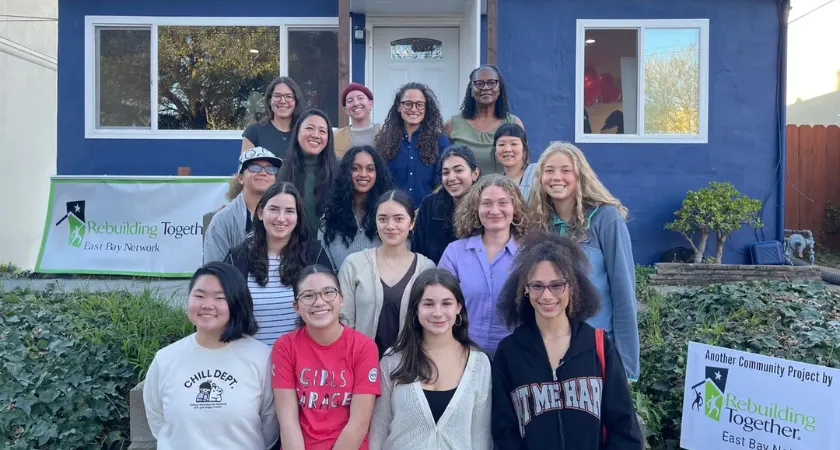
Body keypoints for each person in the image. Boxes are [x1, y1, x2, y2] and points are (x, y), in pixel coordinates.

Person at [491, 232, 643, 449]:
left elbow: (624, 428)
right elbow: (504, 431)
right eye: (537, 286)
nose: (547, 296)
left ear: (572, 286)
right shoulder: (509, 352)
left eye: (557, 285)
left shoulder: (598, 346)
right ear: (525, 288)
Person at [529, 142, 639, 382]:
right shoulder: (538, 224)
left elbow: (623, 292)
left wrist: (627, 368)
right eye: (549, 170)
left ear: (580, 175)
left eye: (565, 170)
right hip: (549, 351)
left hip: (596, 349)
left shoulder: (605, 219)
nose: (556, 177)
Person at [144, 262, 279, 450]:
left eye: (219, 298)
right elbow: (157, 420)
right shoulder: (165, 359)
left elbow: (270, 425)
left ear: (236, 302)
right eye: (199, 296)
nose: (207, 305)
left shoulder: (261, 357)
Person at [369, 268, 492, 450]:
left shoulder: (479, 364)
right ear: (416, 309)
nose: (437, 312)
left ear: (458, 307)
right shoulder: (393, 360)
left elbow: (480, 437)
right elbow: (378, 431)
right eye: (428, 304)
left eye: (446, 303)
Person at [271, 265, 380, 450]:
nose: (319, 302)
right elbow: (288, 421)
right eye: (308, 295)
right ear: (296, 306)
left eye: (328, 292)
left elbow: (359, 423)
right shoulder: (285, 346)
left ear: (341, 299)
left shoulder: (364, 347)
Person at [225, 182, 331, 345]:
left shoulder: (314, 254)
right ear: (261, 213)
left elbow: (330, 306)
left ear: (298, 217)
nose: (281, 218)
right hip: (248, 357)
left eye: (289, 211)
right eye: (274, 209)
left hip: (301, 356)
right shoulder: (237, 257)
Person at [438, 174, 532, 356]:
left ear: (515, 208)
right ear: (476, 208)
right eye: (487, 203)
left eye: (503, 202)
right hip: (463, 353)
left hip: (516, 355)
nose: (495, 210)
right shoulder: (455, 253)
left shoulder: (529, 254)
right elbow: (442, 304)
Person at [339, 189, 436, 357]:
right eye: (383, 219)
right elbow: (344, 321)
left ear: (411, 223)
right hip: (361, 363)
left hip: (410, 364)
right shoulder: (353, 265)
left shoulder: (426, 268)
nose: (390, 226)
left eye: (398, 219)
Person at [374, 82, 450, 207]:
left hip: (429, 212)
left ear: (426, 108)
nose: (414, 109)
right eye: (408, 104)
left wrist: (423, 208)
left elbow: (445, 180)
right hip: (392, 211)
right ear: (399, 106)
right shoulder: (384, 141)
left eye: (419, 104)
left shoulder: (440, 142)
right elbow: (379, 181)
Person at [321, 146, 395, 269]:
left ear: (378, 174)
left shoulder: (390, 215)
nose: (363, 174)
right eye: (355, 168)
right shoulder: (331, 217)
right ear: (346, 173)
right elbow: (325, 266)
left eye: (370, 169)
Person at [204, 147, 283, 263]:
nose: (263, 173)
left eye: (270, 169)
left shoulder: (285, 217)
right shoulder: (222, 220)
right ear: (241, 178)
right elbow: (214, 267)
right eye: (255, 167)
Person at [444, 65, 524, 175]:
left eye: (491, 83)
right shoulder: (451, 125)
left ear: (499, 89)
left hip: (503, 186)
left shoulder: (513, 123)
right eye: (479, 83)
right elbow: (441, 165)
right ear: (471, 90)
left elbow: (523, 164)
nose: (486, 87)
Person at [413, 145, 481, 264]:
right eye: (445, 173)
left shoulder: (486, 207)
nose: (451, 178)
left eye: (458, 170)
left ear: (475, 173)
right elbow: (418, 253)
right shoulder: (429, 206)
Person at [279, 108, 338, 238]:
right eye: (309, 128)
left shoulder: (339, 171)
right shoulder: (281, 170)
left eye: (322, 131)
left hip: (329, 246)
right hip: (290, 245)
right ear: (297, 132)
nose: (316, 135)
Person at [242, 76, 303, 155]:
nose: (283, 101)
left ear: (296, 101)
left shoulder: (304, 133)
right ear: (269, 100)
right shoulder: (253, 132)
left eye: (289, 96)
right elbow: (246, 162)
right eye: (277, 96)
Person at [334, 83, 382, 158]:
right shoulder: (335, 137)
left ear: (371, 104)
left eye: (360, 98)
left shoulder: (385, 133)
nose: (356, 103)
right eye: (350, 101)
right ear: (346, 110)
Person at [492, 123, 537, 201]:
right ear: (495, 151)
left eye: (514, 144)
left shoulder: (536, 174)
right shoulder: (494, 183)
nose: (507, 149)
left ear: (524, 150)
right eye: (501, 144)